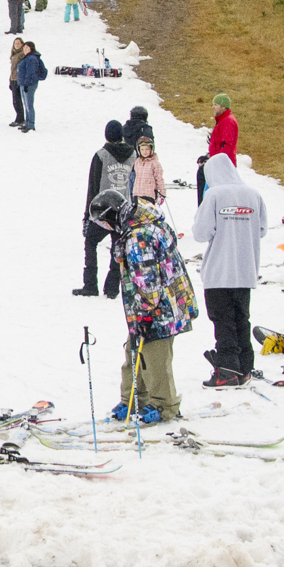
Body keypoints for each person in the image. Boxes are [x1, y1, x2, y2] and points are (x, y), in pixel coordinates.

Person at [97, 187, 196, 423]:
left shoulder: (138, 237)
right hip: (155, 306)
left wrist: (144, 315)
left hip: (159, 309)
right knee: (134, 352)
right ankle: (133, 398)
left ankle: (163, 405)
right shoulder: (143, 221)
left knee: (155, 359)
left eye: (104, 224)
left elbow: (148, 285)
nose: (106, 229)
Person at [192, 153, 265, 387]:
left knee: (222, 320)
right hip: (245, 269)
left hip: (219, 271)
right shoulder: (254, 195)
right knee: (242, 318)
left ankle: (226, 368)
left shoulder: (214, 195)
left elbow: (201, 232)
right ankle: (244, 367)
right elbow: (262, 229)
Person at [77, 121, 136, 297]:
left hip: (103, 211)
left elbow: (93, 186)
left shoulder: (101, 155)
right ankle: (112, 288)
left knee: (91, 242)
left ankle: (90, 285)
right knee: (118, 248)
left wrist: (88, 215)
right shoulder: (133, 155)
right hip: (124, 211)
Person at [200, 93, 239, 205]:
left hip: (222, 167)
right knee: (209, 196)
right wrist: (209, 156)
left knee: (210, 197)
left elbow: (226, 145)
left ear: (223, 106)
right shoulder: (222, 120)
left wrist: (217, 161)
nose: (213, 107)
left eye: (216, 104)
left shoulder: (228, 121)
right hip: (217, 164)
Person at [17, 41, 47, 132]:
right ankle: (27, 123)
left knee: (29, 105)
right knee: (26, 104)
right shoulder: (27, 57)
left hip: (29, 84)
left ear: (31, 48)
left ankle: (31, 125)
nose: (25, 49)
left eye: (27, 48)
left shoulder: (31, 58)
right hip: (23, 83)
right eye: (24, 48)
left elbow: (31, 73)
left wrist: (27, 83)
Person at [131, 137, 164, 202]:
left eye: (147, 149)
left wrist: (162, 193)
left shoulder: (154, 163)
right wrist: (134, 193)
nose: (144, 152)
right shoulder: (137, 162)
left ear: (151, 149)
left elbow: (159, 179)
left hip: (149, 195)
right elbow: (137, 178)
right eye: (142, 149)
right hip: (138, 194)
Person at [7, 39, 27, 127]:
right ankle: (19, 117)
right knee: (15, 100)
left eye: (18, 43)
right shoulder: (14, 54)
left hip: (18, 80)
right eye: (15, 43)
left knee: (17, 100)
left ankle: (20, 118)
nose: (17, 45)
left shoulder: (21, 55)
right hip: (13, 79)